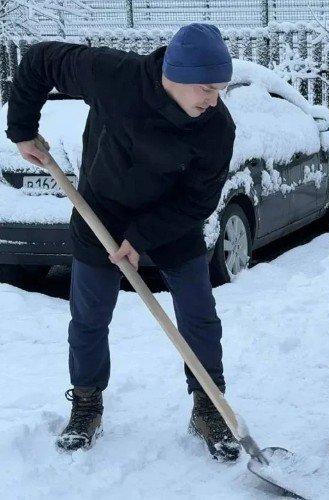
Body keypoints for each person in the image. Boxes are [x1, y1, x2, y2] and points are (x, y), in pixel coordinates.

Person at [6, 23, 240, 461]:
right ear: (176, 74)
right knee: (89, 316)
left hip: (171, 219)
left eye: (219, 89)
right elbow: (40, 60)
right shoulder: (114, 76)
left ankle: (209, 404)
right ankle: (87, 401)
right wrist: (21, 129)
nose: (213, 100)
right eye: (206, 88)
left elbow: (200, 200)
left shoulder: (216, 129)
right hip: (102, 211)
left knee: (198, 313)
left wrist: (141, 238)